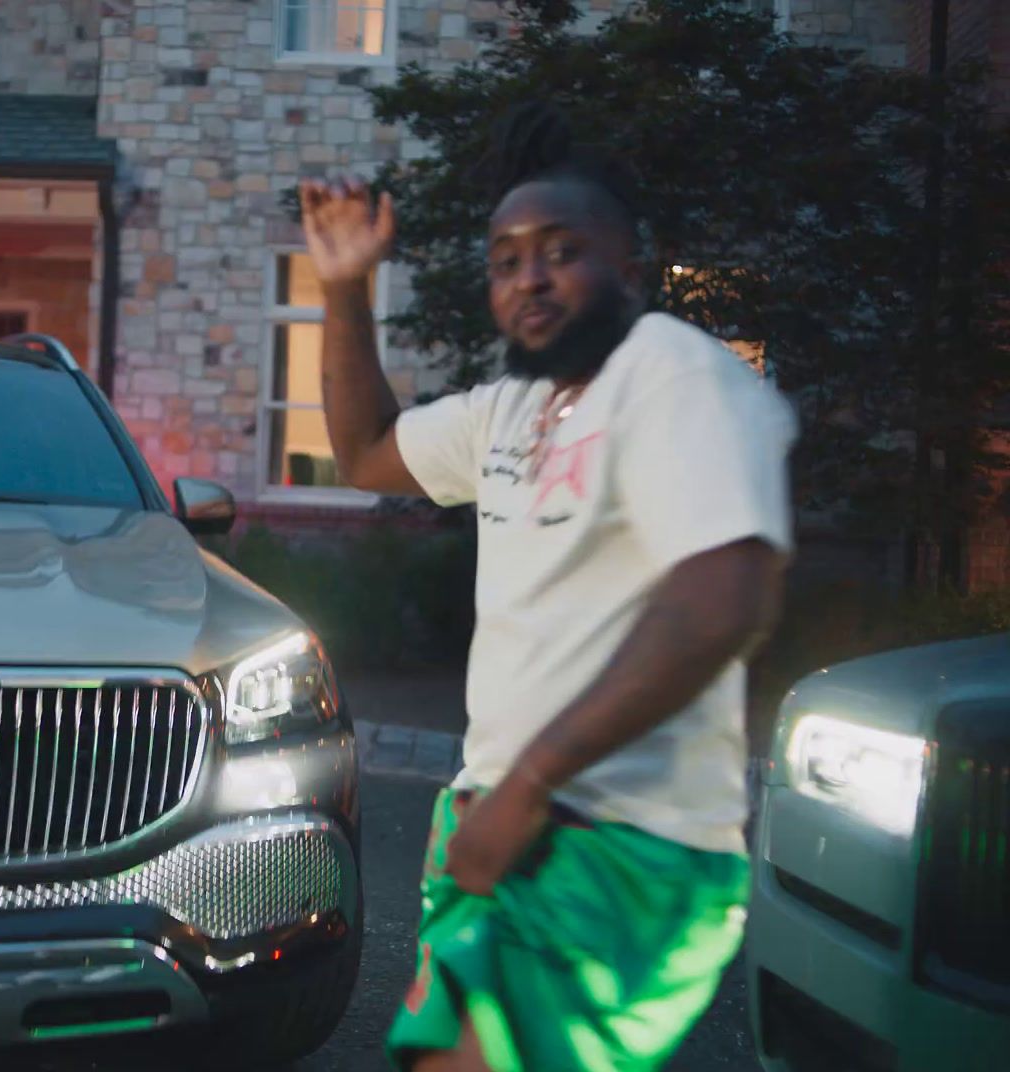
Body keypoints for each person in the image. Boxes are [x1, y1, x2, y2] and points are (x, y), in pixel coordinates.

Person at [298, 101, 797, 1072]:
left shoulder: (672, 375)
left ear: (630, 272)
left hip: (618, 839)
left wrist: (526, 790)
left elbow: (724, 596)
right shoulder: (509, 412)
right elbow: (362, 451)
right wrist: (344, 287)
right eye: (506, 256)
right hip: (493, 818)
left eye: (561, 250)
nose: (529, 275)